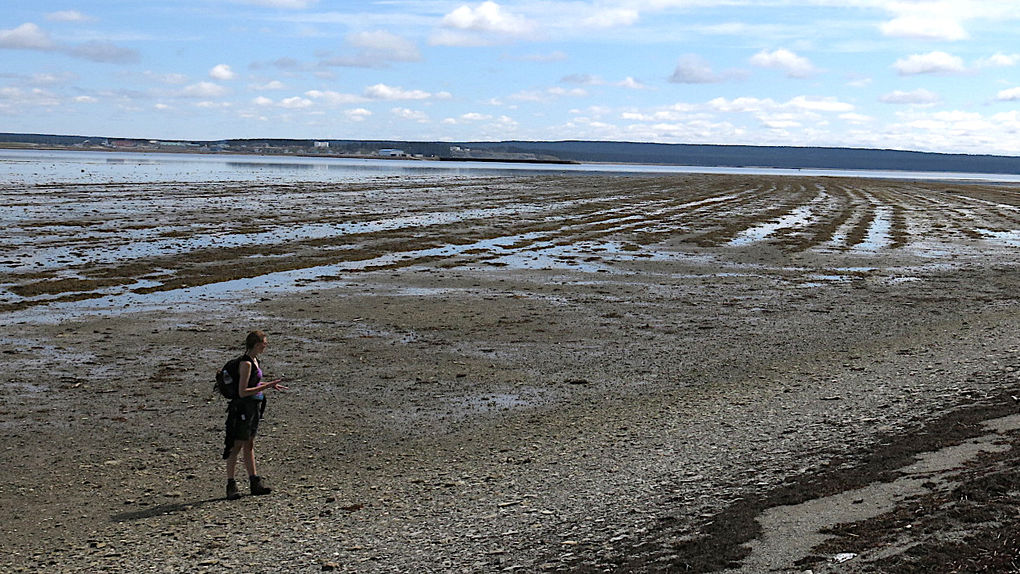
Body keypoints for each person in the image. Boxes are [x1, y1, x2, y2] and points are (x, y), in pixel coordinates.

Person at [223, 330, 287, 500]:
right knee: (235, 445)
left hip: (253, 408)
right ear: (257, 344)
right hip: (242, 409)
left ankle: (254, 482)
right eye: (264, 343)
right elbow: (243, 391)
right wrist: (266, 386)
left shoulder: (255, 361)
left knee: (249, 444)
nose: (266, 345)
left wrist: (268, 385)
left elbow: (254, 383)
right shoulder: (246, 364)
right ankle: (231, 484)